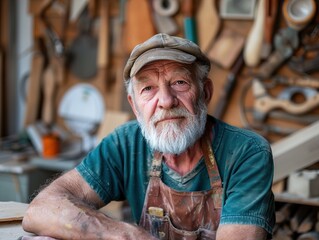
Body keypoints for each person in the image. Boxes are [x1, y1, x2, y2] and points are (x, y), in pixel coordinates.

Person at [22, 33, 275, 240]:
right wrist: (125, 236)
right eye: (148, 88)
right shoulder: (126, 144)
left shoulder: (246, 152)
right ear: (134, 105)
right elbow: (40, 210)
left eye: (179, 83)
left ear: (205, 92)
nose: (165, 101)